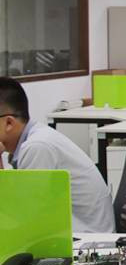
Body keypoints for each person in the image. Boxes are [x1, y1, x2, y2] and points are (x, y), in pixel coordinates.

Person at [0, 77, 114, 233]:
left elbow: (25, 217)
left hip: (86, 237)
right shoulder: (35, 136)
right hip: (74, 229)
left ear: (9, 123)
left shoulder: (37, 147)